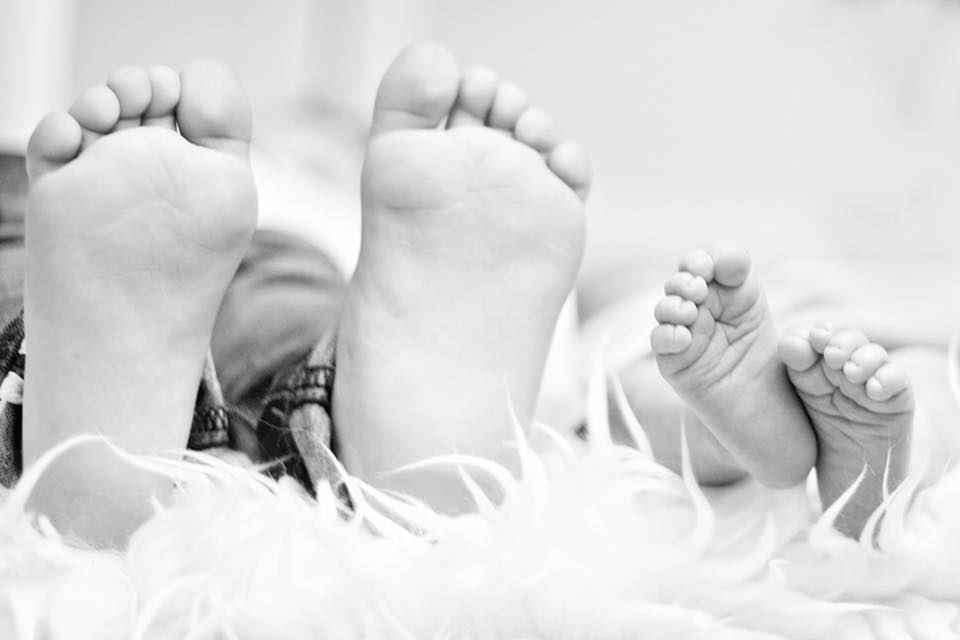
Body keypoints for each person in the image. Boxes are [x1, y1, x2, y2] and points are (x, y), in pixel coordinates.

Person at [0, 41, 591, 547]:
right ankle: (362, 457)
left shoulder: (123, 170)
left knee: (24, 262)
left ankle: (81, 459)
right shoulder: (337, 223)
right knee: (297, 323)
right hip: (278, 274)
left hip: (123, 257)